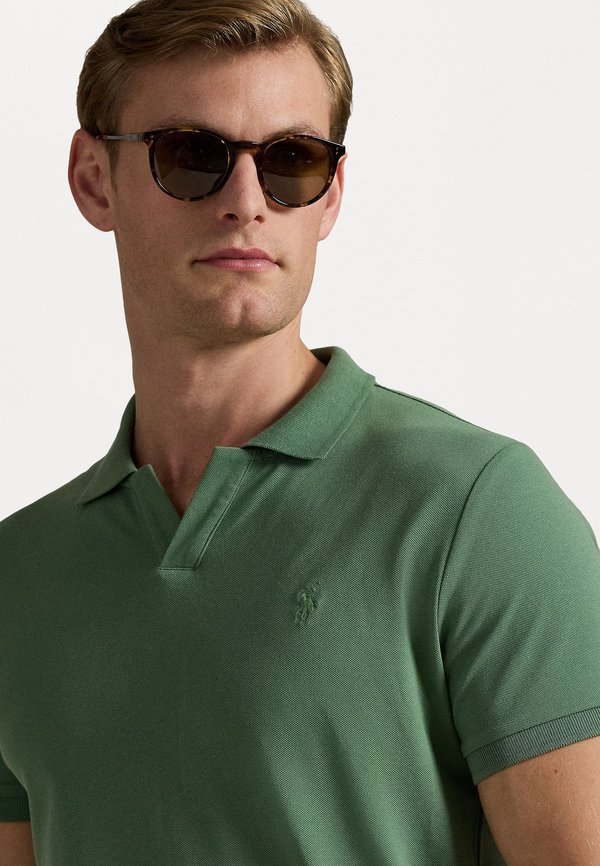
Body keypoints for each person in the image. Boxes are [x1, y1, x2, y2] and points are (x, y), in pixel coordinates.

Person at [1, 0, 599, 863]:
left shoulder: (478, 513)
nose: (246, 202)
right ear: (95, 180)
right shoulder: (18, 578)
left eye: (291, 160)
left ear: (331, 195)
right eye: (192, 155)